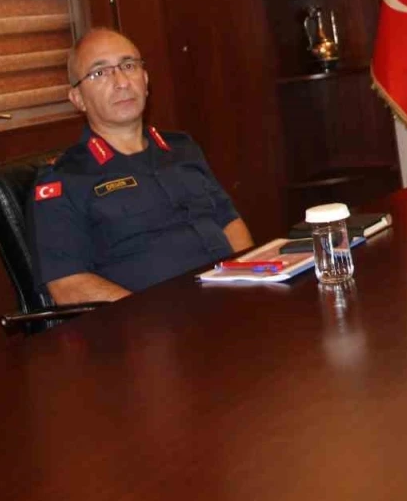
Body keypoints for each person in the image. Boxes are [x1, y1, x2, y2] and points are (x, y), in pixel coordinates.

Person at [31, 28, 253, 304]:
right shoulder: (64, 180)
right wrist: (146, 316)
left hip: (231, 302)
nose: (122, 82)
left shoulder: (182, 149)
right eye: (100, 73)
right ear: (77, 99)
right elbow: (67, 284)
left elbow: (229, 221)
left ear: (146, 80)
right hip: (153, 321)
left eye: (128, 66)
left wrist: (249, 280)